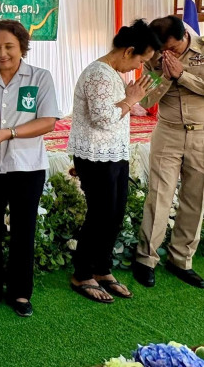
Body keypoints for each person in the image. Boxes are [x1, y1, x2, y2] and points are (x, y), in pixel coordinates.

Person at [0, 20, 60, 317]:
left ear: (22, 47)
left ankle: (20, 293)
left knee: (23, 230)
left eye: (9, 46)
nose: (2, 53)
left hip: (26, 166)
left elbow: (48, 121)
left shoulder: (40, 78)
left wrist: (10, 133)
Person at [134, 16, 204, 289]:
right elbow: (146, 99)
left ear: (184, 37)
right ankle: (146, 258)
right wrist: (166, 78)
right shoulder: (153, 57)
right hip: (168, 132)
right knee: (159, 196)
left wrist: (183, 76)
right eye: (162, 50)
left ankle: (181, 260)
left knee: (195, 197)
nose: (167, 54)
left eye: (173, 49)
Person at [67, 21, 160, 304]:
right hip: (95, 156)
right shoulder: (99, 73)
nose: (138, 67)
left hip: (113, 154)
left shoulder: (112, 73)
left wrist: (132, 98)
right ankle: (82, 274)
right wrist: (131, 99)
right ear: (129, 50)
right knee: (100, 216)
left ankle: (102, 269)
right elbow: (103, 118)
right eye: (140, 60)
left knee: (114, 215)